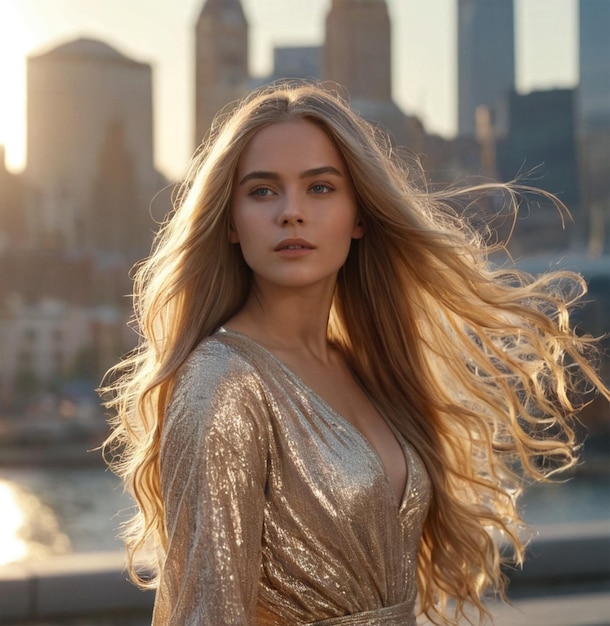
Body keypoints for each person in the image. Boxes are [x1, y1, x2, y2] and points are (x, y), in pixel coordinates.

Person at [101, 81, 609, 625]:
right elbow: (206, 614)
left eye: (320, 188)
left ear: (359, 214)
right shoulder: (222, 385)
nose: (291, 213)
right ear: (230, 222)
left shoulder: (363, 367)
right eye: (263, 191)